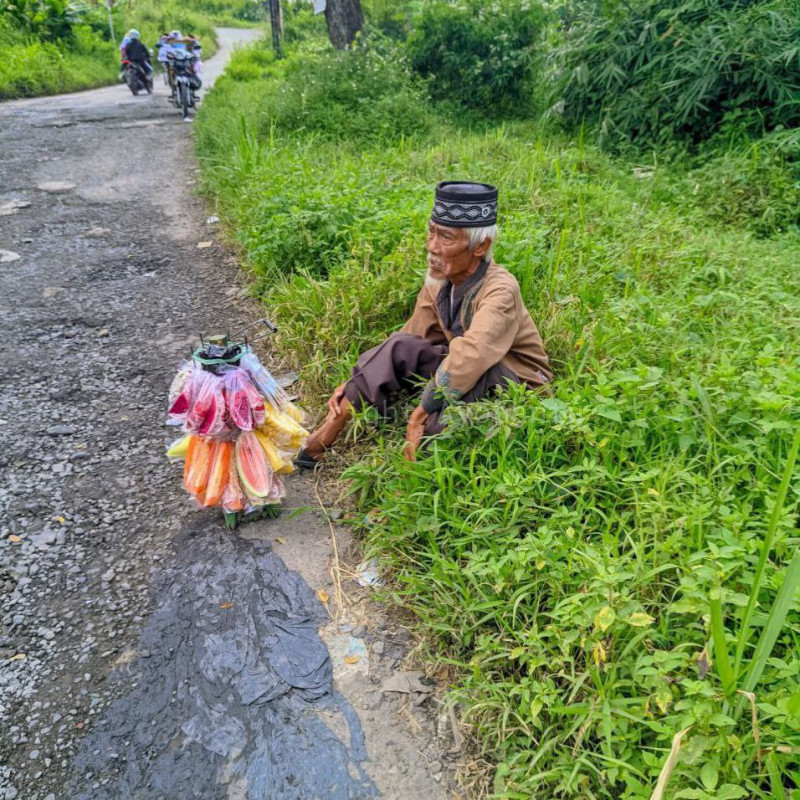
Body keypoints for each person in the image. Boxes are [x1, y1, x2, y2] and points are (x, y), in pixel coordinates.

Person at [298, 181, 552, 465]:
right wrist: (356, 380)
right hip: (467, 368)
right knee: (398, 347)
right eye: (431, 232)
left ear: (481, 246)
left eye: (446, 238)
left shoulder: (500, 290)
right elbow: (409, 337)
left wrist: (420, 412)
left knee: (438, 424)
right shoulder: (440, 282)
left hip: (513, 379)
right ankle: (323, 436)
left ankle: (406, 489)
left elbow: (473, 353)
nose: (432, 246)